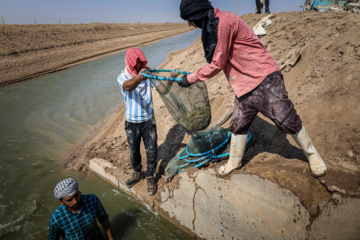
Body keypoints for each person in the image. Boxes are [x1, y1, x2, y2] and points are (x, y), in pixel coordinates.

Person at [178, 0, 327, 177]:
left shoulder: (225, 22)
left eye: (190, 19)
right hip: (242, 85)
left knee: (285, 119)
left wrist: (191, 78)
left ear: (197, 14)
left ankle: (312, 155)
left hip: (263, 77)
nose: (190, 24)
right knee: (238, 125)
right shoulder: (212, 26)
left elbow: (218, 63)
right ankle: (234, 161)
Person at [117, 47, 158, 196]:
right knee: (134, 150)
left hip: (148, 120)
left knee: (151, 150)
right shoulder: (122, 76)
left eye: (141, 63)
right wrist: (139, 78)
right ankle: (137, 172)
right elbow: (128, 87)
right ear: (129, 62)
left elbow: (161, 87)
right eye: (137, 64)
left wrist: (170, 77)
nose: (139, 66)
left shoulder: (148, 73)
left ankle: (151, 176)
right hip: (132, 122)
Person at [48, 178, 116, 240]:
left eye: (76, 195)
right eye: (69, 200)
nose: (75, 201)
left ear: (78, 191)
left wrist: (111, 238)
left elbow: (103, 219)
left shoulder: (92, 200)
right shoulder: (57, 218)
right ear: (61, 201)